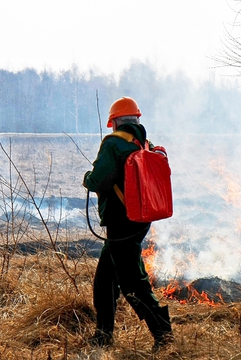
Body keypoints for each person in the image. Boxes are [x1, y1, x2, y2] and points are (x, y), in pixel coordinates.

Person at [83, 96, 174, 351]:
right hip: (140, 220)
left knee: (133, 282)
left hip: (120, 223)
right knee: (105, 278)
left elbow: (98, 180)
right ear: (136, 119)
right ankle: (103, 335)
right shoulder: (145, 144)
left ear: (115, 122)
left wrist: (87, 178)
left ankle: (163, 334)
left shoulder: (113, 144)